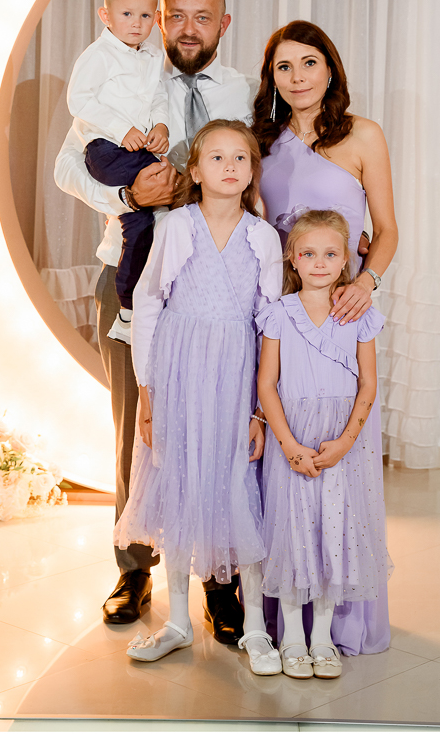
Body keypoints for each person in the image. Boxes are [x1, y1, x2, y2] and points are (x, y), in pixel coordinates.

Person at [53, 0, 256, 639]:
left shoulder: (242, 92)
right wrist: (127, 196)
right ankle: (134, 568)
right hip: (131, 273)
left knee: (218, 430)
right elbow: (67, 166)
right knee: (133, 432)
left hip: (218, 289)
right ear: (160, 19)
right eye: (177, 16)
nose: (188, 29)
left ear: (224, 25)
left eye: (204, 17)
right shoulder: (125, 76)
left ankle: (220, 580)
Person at [114, 121, 283, 667]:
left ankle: (255, 628)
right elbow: (148, 304)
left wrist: (260, 409)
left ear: (252, 171)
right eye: (216, 157)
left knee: (238, 485)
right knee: (179, 483)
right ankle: (179, 622)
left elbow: (270, 325)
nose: (229, 166)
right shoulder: (176, 226)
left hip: (235, 376)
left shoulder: (263, 237)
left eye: (240, 158)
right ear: (194, 169)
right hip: (178, 372)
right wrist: (147, 392)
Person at [253, 19, 398, 656]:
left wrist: (365, 281)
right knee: (281, 465)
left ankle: (342, 623)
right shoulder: (262, 142)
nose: (298, 77)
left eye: (309, 63)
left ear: (330, 68)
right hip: (279, 314)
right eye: (284, 67)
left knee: (342, 470)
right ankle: (280, 619)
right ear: (272, 79)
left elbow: (386, 229)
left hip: (341, 313)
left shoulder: (363, 135)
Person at [256, 209, 392, 679]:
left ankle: (322, 638)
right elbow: (266, 384)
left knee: (334, 534)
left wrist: (346, 442)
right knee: (293, 534)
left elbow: (368, 384)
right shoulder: (279, 313)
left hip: (341, 442)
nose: (319, 262)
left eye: (331, 253)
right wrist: (289, 445)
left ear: (345, 259)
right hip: (293, 437)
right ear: (293, 258)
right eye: (309, 253)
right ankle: (293, 636)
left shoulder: (359, 315)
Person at [67, 0, 169, 343]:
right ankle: (127, 305)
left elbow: (158, 97)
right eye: (127, 14)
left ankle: (129, 309)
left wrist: (161, 126)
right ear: (105, 15)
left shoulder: (153, 57)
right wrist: (120, 129)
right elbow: (78, 99)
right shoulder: (98, 56)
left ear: (156, 18)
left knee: (140, 222)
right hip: (106, 149)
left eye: (145, 15)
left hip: (135, 148)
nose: (136, 23)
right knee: (169, 184)